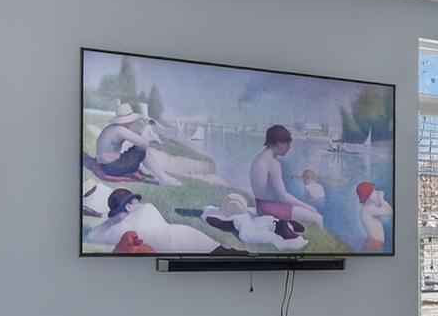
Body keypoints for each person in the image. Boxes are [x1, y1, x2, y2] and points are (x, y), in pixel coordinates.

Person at [91, 188, 222, 254]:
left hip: (186, 243)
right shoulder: (148, 209)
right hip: (191, 238)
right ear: (129, 206)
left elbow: (93, 236)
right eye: (136, 201)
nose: (140, 203)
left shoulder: (124, 227)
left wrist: (112, 220)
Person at [89, 105, 181, 186]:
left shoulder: (111, 128)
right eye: (132, 120)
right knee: (142, 148)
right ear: (127, 121)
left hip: (105, 165)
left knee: (138, 149)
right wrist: (148, 126)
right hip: (111, 167)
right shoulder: (120, 130)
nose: (133, 122)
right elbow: (144, 143)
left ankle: (158, 174)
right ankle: (163, 177)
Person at [250, 124, 322, 222]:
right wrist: (308, 207)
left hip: (260, 208)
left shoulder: (258, 159)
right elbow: (283, 197)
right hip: (271, 209)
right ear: (278, 143)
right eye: (287, 143)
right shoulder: (273, 163)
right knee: (318, 218)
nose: (289, 147)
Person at [204, 191, 308, 250]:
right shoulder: (238, 218)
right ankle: (284, 226)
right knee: (272, 224)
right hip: (268, 225)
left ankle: (285, 226)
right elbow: (223, 224)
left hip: (268, 224)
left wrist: (212, 220)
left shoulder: (247, 214)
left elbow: (222, 224)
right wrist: (212, 220)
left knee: (272, 222)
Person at [356, 181, 392, 251]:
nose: (377, 192)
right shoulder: (369, 209)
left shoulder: (367, 207)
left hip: (373, 242)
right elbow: (389, 211)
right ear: (368, 196)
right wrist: (381, 199)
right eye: (374, 191)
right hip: (375, 243)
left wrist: (380, 201)